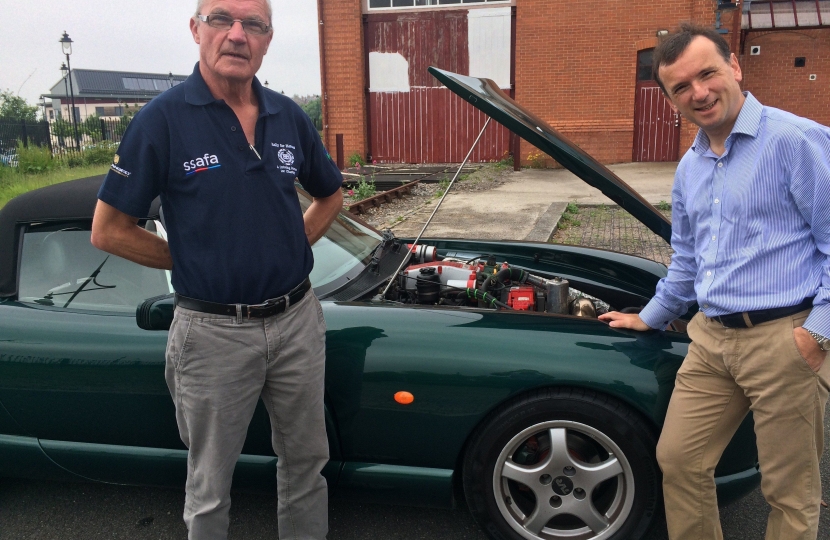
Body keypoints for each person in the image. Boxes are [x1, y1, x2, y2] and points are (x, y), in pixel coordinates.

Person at [90, 0, 343, 538]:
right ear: (195, 29)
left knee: (306, 465)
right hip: (212, 334)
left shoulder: (287, 114)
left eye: (253, 24)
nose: (236, 35)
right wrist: (192, 258)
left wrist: (288, 243)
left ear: (267, 40)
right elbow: (108, 229)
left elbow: (330, 196)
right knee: (209, 486)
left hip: (297, 321)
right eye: (221, 20)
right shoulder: (161, 121)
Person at [598, 23, 830, 540]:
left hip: (783, 339)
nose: (698, 92)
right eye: (681, 87)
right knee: (679, 460)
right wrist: (650, 315)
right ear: (670, 98)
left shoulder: (796, 141)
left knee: (789, 491)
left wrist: (817, 333)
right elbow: (687, 258)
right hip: (710, 340)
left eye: (707, 74)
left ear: (735, 68)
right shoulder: (690, 167)